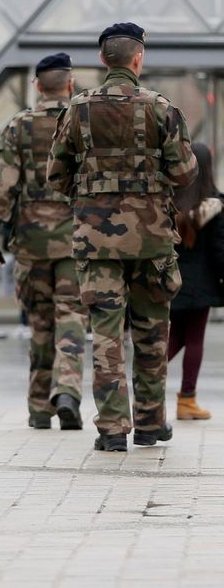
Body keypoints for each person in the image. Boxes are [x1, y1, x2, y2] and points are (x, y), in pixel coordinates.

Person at [47, 23, 197, 452]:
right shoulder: (161, 109)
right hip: (152, 240)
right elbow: (185, 173)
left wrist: (91, 191)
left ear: (102, 59)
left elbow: (56, 175)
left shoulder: (77, 109)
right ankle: (150, 423)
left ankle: (113, 429)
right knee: (152, 331)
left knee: (107, 334)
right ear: (138, 59)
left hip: (96, 241)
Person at [0, 53, 87, 431]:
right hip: (76, 238)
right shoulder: (82, 121)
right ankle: (68, 390)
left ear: (38, 85)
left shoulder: (19, 126)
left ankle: (40, 407)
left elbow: (5, 187)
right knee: (72, 317)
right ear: (69, 84)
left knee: (41, 323)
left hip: (31, 242)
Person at [169, 142, 224, 420]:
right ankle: (187, 400)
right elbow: (219, 249)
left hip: (171, 280)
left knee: (176, 335)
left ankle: (146, 374)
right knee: (194, 338)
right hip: (202, 282)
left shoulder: (171, 203)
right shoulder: (214, 205)